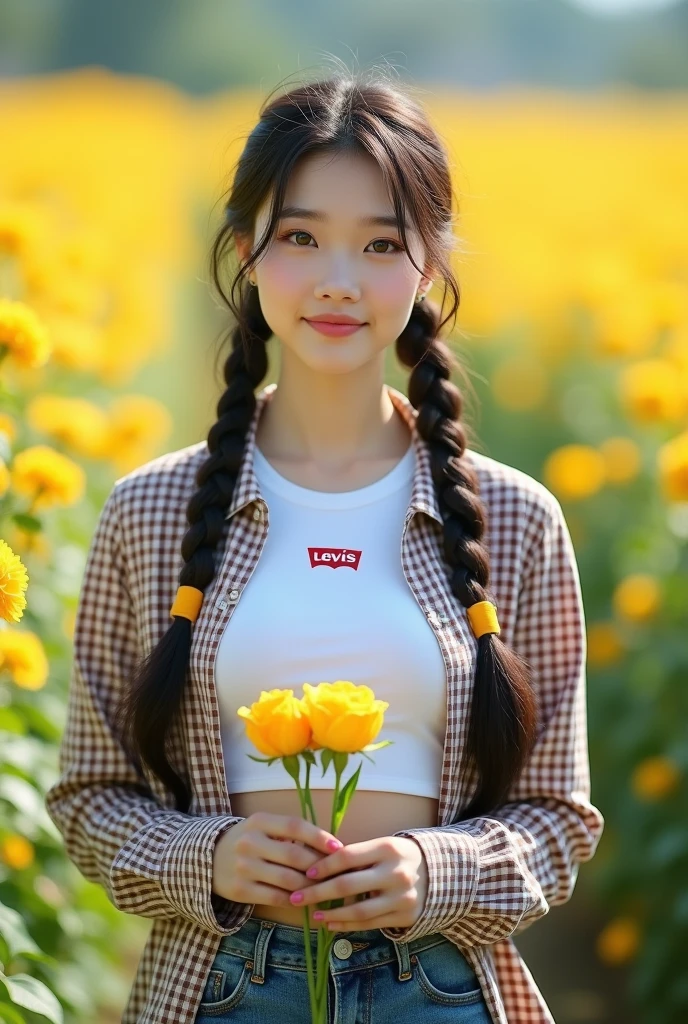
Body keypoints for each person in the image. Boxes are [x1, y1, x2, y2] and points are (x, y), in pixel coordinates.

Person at [44, 69, 605, 1024]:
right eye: (301, 237)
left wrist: (438, 869)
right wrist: (207, 856)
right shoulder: (153, 511)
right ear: (245, 253)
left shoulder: (516, 518)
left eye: (382, 244)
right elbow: (90, 796)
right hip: (225, 986)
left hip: (440, 985)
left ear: (427, 267)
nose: (340, 280)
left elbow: (559, 819)